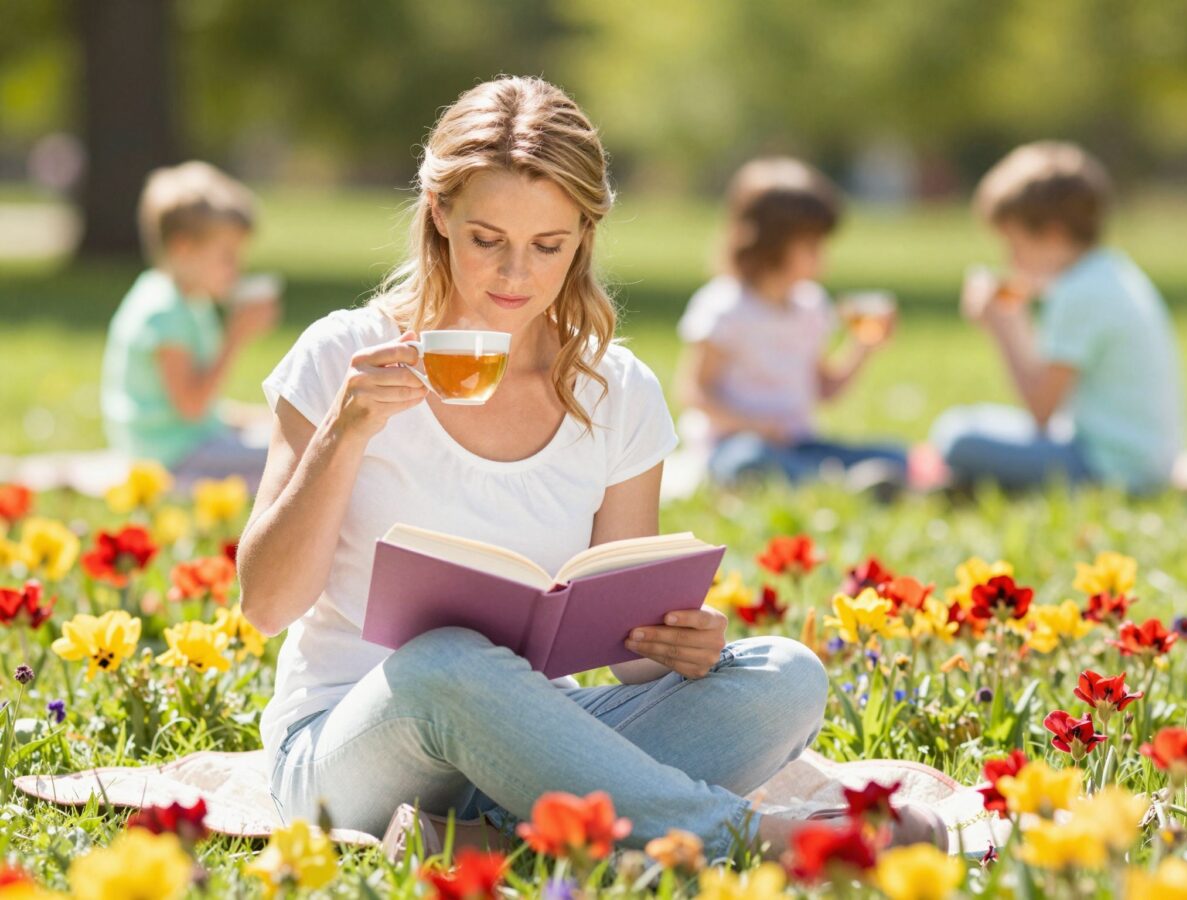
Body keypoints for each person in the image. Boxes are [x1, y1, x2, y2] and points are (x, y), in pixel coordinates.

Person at [238, 78, 942, 860]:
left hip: (539, 739)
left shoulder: (618, 392)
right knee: (445, 663)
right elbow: (267, 605)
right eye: (486, 239)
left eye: (548, 246)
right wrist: (345, 432)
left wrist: (680, 644)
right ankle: (739, 840)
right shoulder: (343, 356)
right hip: (350, 745)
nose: (515, 275)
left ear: (583, 234)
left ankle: (485, 836)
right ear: (439, 214)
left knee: (787, 673)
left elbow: (624, 649)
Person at [928, 141, 1187, 492]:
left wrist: (1004, 325)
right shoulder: (1110, 273)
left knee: (956, 436)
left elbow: (1041, 411)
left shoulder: (1078, 293)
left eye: (1014, 245)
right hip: (1141, 455)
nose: (1010, 260)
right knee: (971, 422)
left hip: (1109, 467)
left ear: (1052, 234)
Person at [674, 157, 906, 487]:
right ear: (770, 244)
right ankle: (844, 483)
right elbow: (694, 392)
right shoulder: (726, 307)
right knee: (748, 463)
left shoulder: (811, 306)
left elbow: (825, 389)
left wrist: (863, 346)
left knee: (895, 456)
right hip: (733, 444)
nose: (822, 254)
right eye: (812, 245)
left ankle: (841, 480)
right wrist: (756, 426)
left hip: (797, 444)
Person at [100, 161, 280, 491]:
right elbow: (191, 406)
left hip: (183, 439)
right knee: (289, 457)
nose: (237, 268)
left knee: (282, 433)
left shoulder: (186, 300)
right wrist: (235, 337)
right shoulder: (163, 313)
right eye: (227, 256)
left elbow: (194, 406)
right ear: (184, 248)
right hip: (167, 455)